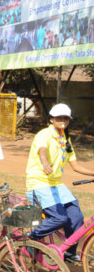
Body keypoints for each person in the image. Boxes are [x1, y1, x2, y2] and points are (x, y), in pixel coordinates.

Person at [25, 103, 94, 262]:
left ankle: (69, 253)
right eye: (59, 117)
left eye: (65, 118)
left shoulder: (65, 139)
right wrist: (44, 162)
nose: (62, 120)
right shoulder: (45, 134)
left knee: (76, 218)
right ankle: (30, 239)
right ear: (51, 119)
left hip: (56, 185)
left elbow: (75, 165)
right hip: (39, 183)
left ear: (69, 120)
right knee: (59, 218)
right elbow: (43, 150)